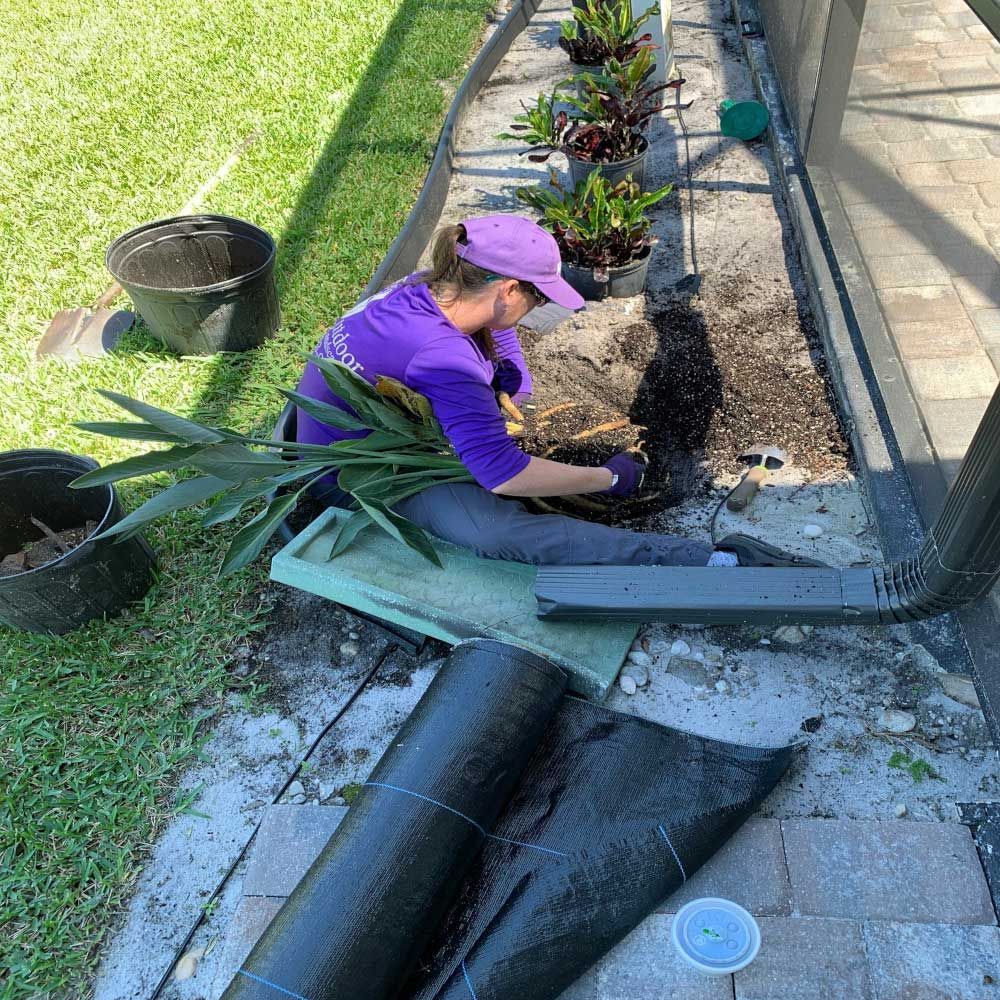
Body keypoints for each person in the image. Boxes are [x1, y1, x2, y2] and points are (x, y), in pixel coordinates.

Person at [294, 214, 819, 569]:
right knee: (498, 532)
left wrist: (513, 381)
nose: (539, 308)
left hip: (352, 430)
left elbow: (496, 327)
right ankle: (697, 561)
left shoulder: (432, 284)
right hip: (359, 475)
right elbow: (503, 475)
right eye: (538, 298)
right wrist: (609, 477)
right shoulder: (443, 357)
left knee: (494, 441)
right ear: (508, 288)